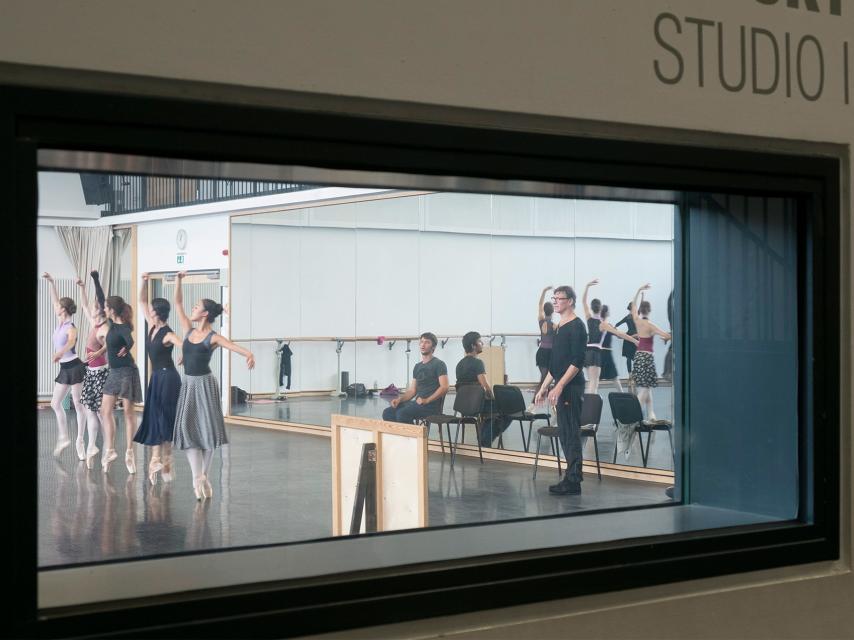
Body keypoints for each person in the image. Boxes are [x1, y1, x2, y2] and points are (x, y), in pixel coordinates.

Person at [172, 271, 255, 501]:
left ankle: (203, 476)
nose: (192, 308)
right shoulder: (188, 330)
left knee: (208, 431)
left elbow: (232, 346)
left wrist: (248, 353)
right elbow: (177, 302)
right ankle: (196, 477)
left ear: (205, 313)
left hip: (205, 385)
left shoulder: (213, 337)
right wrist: (179, 280)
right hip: (188, 385)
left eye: (197, 306)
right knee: (189, 430)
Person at [534, 285, 587, 496]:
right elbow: (555, 365)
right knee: (565, 432)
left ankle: (573, 480)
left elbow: (577, 362)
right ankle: (571, 477)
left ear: (571, 301)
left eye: (559, 298)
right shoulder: (558, 327)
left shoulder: (577, 326)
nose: (555, 302)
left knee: (570, 432)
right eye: (553, 298)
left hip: (572, 387)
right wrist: (544, 387)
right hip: (561, 385)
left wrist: (561, 385)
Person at [134, 273, 183, 485]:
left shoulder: (167, 333)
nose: (149, 310)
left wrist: (185, 353)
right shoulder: (152, 326)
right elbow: (141, 300)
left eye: (152, 309)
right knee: (154, 416)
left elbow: (186, 345)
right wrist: (143, 281)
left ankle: (167, 461)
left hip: (168, 378)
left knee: (165, 419)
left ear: (158, 313)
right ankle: (157, 460)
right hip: (157, 378)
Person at [99, 280, 142, 474]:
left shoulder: (122, 326)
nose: (104, 309)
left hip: (127, 372)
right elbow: (101, 299)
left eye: (106, 308)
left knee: (128, 412)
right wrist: (95, 278)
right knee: (104, 410)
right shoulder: (111, 323)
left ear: (112, 310)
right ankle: (110, 449)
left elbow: (130, 339)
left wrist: (127, 347)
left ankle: (130, 452)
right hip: (114, 372)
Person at [42, 272, 88, 459]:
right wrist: (52, 282)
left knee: (78, 403)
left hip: (75, 366)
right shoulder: (60, 322)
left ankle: (79, 440)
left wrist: (59, 352)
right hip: (65, 368)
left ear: (64, 310)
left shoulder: (71, 327)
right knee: (55, 403)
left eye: (59, 307)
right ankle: (63, 437)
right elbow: (55, 299)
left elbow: (71, 342)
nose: (56, 307)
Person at [75, 271, 110, 469]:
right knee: (91, 411)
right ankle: (92, 445)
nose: (93, 309)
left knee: (98, 413)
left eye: (97, 308)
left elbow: (110, 344)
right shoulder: (95, 323)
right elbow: (84, 306)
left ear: (103, 312)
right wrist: (82, 288)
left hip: (99, 373)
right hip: (92, 372)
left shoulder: (104, 328)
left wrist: (99, 353)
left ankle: (106, 446)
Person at [455, 331, 509, 447]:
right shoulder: (478, 363)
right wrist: (494, 399)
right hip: (478, 404)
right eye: (480, 341)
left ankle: (485, 437)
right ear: (473, 346)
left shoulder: (459, 365)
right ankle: (485, 440)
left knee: (493, 411)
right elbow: (485, 386)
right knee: (507, 410)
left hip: (464, 405)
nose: (482, 344)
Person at [382, 332, 449, 425]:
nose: (423, 345)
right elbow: (412, 391)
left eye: (427, 342)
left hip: (431, 406)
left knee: (402, 414)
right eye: (421, 342)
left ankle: (414, 438)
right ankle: (403, 437)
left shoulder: (439, 364)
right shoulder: (417, 367)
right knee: (388, 413)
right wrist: (399, 400)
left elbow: (444, 387)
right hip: (418, 403)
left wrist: (427, 400)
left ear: (433, 347)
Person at [629, 284, 672, 420]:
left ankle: (651, 413)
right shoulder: (651, 326)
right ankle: (633, 414)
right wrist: (666, 337)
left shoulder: (637, 320)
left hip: (638, 356)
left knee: (647, 387)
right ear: (650, 311)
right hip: (647, 357)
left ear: (641, 311)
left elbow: (633, 306)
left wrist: (638, 290)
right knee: (646, 387)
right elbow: (666, 335)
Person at [599, 305, 639, 392]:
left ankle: (622, 395)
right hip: (603, 354)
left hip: (603, 354)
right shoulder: (605, 325)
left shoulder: (604, 325)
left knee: (612, 377)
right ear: (606, 313)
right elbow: (620, 334)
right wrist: (634, 340)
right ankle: (622, 395)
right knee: (611, 377)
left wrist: (618, 333)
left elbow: (619, 335)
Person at [536, 286, 556, 387]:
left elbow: (540, 305)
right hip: (550, 354)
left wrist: (544, 290)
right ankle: (536, 400)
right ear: (553, 311)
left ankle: (537, 400)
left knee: (544, 379)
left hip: (541, 353)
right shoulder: (555, 325)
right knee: (545, 380)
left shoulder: (541, 321)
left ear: (544, 311)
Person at [615, 302, 638, 374]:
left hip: (628, 337)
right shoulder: (636, 316)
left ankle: (630, 375)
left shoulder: (627, 317)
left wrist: (616, 332)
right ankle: (634, 374)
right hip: (635, 337)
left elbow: (617, 324)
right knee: (635, 357)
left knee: (628, 357)